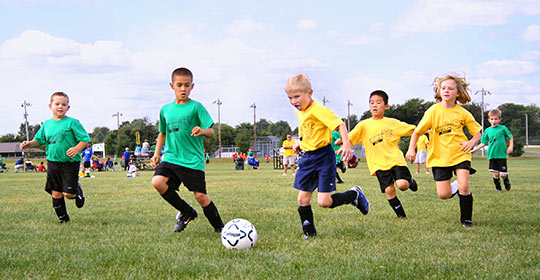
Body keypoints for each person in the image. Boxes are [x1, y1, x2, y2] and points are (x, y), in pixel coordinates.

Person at [285, 73, 369, 239]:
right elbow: (309, 132)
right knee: (302, 199)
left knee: (324, 202)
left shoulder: (318, 110)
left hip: (323, 157)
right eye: (290, 98)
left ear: (309, 93)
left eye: (297, 96)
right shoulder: (300, 111)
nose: (294, 101)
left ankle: (354, 195)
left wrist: (346, 145)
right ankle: (310, 234)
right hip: (308, 158)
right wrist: (299, 144)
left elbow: (339, 125)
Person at [150, 67, 224, 233]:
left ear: (192, 86)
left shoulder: (196, 107)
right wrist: (156, 154)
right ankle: (187, 211)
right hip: (171, 157)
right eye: (179, 85)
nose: (183, 89)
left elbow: (211, 132)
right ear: (172, 86)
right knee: (157, 182)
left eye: (187, 85)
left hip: (192, 160)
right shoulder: (165, 110)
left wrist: (203, 131)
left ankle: (220, 228)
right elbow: (162, 133)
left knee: (200, 196)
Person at [406, 74, 482, 227]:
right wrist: (411, 150)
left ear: (458, 92)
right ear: (439, 91)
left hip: (460, 154)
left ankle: (466, 220)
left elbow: (477, 133)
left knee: (465, 186)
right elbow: (417, 132)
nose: (446, 91)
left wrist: (472, 142)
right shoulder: (433, 111)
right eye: (443, 88)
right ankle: (457, 186)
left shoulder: (463, 112)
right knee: (444, 194)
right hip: (439, 157)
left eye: (450, 88)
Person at [19, 91, 90, 223]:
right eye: (57, 104)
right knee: (56, 192)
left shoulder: (72, 123)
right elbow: (39, 140)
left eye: (63, 104)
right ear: (50, 106)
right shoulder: (47, 124)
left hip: (70, 162)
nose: (60, 106)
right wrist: (28, 144)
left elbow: (85, 140)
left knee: (69, 194)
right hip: (53, 162)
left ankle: (77, 188)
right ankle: (63, 219)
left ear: (68, 108)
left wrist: (76, 149)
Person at [347, 90, 418, 219]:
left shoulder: (392, 123)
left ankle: (410, 181)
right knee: (389, 191)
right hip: (378, 164)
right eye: (371, 102)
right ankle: (402, 217)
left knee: (402, 185)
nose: (374, 105)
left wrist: (426, 129)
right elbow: (350, 138)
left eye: (378, 102)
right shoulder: (363, 125)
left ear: (386, 106)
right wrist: (342, 141)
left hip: (395, 160)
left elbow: (413, 130)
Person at [471, 109, 513, 191]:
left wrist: (510, 146)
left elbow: (510, 137)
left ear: (500, 119)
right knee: (496, 174)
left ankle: (506, 180)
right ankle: (498, 189)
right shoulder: (487, 131)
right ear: (489, 120)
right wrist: (474, 150)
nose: (494, 121)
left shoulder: (503, 128)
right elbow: (483, 143)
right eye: (492, 119)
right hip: (492, 154)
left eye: (496, 119)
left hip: (501, 154)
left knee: (503, 175)